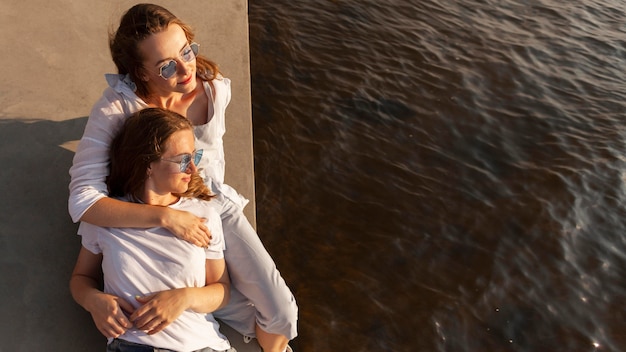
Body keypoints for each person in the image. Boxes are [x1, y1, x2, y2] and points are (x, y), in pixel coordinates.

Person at [68, 4, 297, 352]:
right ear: (140, 73)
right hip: (156, 207)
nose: (185, 67)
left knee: (281, 313)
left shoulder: (213, 87)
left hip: (213, 205)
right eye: (166, 66)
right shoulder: (118, 109)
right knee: (180, 303)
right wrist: (166, 217)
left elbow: (210, 162)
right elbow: (83, 198)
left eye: (186, 50)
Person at [70, 108, 235, 352]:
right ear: (148, 164)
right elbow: (81, 278)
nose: (193, 169)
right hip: (134, 345)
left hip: (206, 345)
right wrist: (94, 301)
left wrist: (184, 298)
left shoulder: (202, 214)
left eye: (195, 156)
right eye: (183, 160)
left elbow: (221, 291)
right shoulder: (106, 215)